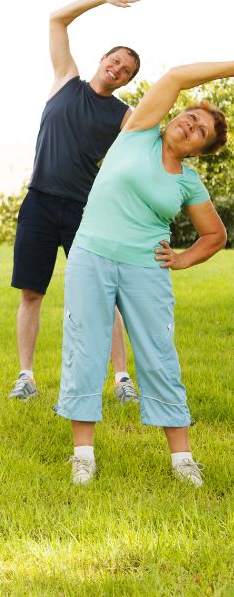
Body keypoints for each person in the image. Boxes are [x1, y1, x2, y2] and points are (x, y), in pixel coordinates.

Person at [57, 59, 230, 487]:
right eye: (190, 117)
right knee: (86, 347)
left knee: (159, 355)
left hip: (145, 269)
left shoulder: (189, 182)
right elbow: (174, 77)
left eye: (201, 132)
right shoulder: (136, 135)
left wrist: (182, 258)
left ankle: (183, 460)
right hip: (92, 255)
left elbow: (215, 236)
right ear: (173, 117)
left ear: (200, 151)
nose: (191, 127)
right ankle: (83, 456)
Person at [9, 0, 144, 403]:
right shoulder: (66, 79)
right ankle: (26, 377)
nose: (118, 69)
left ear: (128, 80)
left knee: (104, 293)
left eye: (126, 69)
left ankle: (122, 380)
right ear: (102, 59)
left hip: (86, 210)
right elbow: (57, 19)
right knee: (32, 292)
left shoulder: (124, 115)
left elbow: (142, 156)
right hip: (39, 202)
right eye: (115, 60)